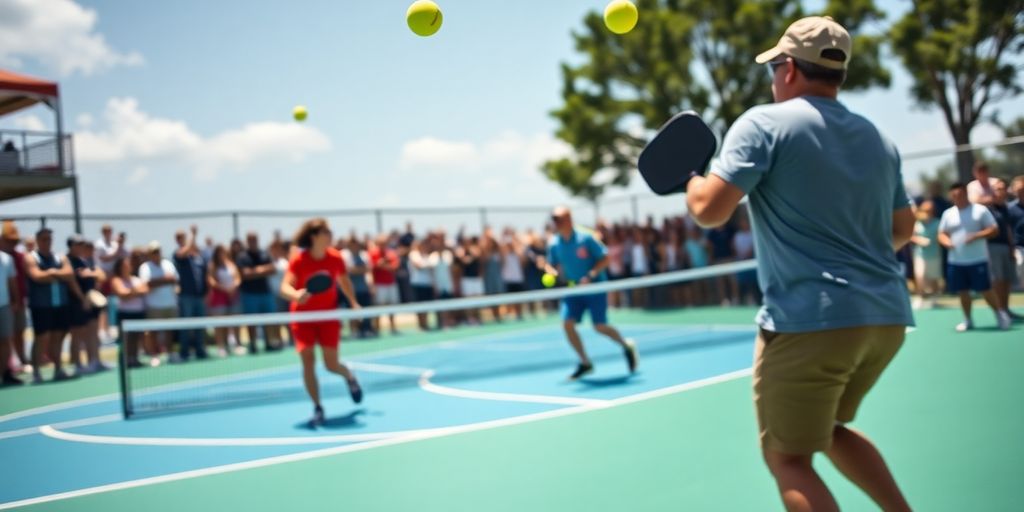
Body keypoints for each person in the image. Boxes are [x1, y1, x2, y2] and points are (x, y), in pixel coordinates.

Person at [683, 17, 915, 511]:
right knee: (827, 429)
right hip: (887, 319)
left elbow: (710, 210)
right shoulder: (879, 139)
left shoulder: (763, 123)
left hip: (811, 321)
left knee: (787, 458)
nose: (772, 79)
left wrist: (693, 182)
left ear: (788, 69)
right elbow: (903, 230)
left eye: (774, 68)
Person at [279, 218, 363, 426]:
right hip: (303, 317)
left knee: (331, 364)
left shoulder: (335, 258)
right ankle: (317, 407)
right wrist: (296, 295)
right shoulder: (299, 260)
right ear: (314, 237)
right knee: (308, 360)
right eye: (326, 232)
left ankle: (349, 376)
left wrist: (353, 303)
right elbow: (284, 287)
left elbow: (345, 282)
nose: (330, 235)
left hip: (328, 317)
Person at [545, 206, 637, 381]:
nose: (555, 223)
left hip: (595, 288)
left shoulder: (586, 237)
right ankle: (585, 362)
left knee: (599, 326)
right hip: (573, 291)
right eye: (554, 219)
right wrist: (551, 271)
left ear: (569, 219)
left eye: (558, 219)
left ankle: (626, 346)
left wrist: (591, 275)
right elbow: (550, 264)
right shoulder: (554, 243)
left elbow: (605, 258)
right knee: (567, 324)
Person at [938, 183, 1011, 330]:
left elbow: (994, 229)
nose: (956, 198)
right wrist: (947, 243)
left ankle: (1000, 315)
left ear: (965, 194)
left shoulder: (980, 210)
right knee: (962, 291)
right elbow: (941, 234)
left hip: (978, 259)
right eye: (954, 196)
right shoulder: (948, 213)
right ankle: (968, 320)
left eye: (959, 195)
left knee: (985, 289)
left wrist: (976, 236)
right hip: (956, 261)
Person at [25, 228, 87, 382]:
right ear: (38, 240)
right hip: (41, 306)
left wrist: (51, 273)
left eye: (49, 239)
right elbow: (37, 276)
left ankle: (58, 368)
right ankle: (36, 371)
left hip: (60, 304)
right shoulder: (31, 257)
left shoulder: (59, 257)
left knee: (58, 337)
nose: (47, 242)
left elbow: (69, 274)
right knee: (42, 337)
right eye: (44, 239)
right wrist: (57, 274)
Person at [173, 226, 209, 361]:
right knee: (186, 325)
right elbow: (184, 251)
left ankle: (200, 350)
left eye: (184, 237)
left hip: (199, 297)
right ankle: (184, 351)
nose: (183, 239)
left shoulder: (198, 257)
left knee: (200, 325)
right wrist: (193, 235)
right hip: (186, 297)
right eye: (180, 237)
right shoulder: (178, 254)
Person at [910, 200, 942, 309]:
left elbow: (941, 236)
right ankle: (920, 297)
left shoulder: (937, 222)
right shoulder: (917, 223)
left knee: (933, 278)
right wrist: (919, 240)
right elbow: (911, 236)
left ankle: (934, 298)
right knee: (920, 276)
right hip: (920, 255)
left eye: (928, 210)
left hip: (934, 254)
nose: (926, 212)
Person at [0, 244, 21, 385]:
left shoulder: (7, 259)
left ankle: (4, 373)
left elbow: (12, 281)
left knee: (6, 340)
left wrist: (15, 301)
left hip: (4, 305)